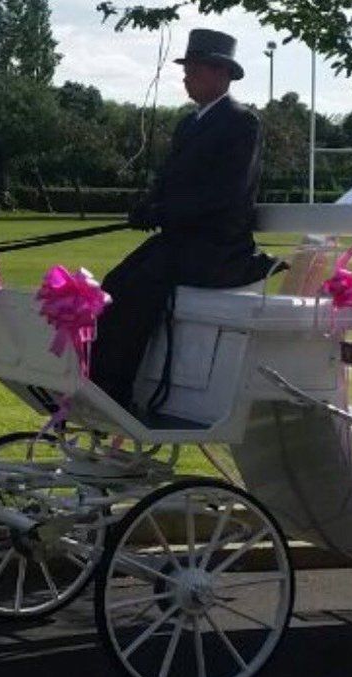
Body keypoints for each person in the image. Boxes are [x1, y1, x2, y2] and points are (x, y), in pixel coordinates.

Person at [87, 28, 271, 416]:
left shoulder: (242, 123)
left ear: (221, 73)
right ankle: (101, 382)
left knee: (138, 286)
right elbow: (170, 180)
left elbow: (227, 193)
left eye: (195, 69)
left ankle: (115, 391)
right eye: (186, 69)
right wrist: (148, 205)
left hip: (218, 247)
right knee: (116, 282)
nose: (186, 77)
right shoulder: (189, 124)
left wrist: (166, 212)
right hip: (181, 243)